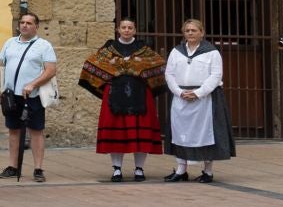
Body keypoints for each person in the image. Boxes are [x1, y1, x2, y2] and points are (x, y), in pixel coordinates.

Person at [80, 19, 167, 182]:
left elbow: (159, 65)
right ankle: (117, 169)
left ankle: (139, 169)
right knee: (115, 130)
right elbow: (90, 65)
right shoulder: (108, 49)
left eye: (130, 28)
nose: (127, 30)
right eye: (124, 27)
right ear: (118, 29)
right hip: (115, 94)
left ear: (135, 31)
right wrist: (111, 72)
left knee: (140, 131)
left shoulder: (143, 49)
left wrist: (141, 71)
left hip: (140, 94)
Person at [163, 19, 235, 182]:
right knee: (181, 133)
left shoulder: (211, 52)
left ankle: (207, 172)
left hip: (204, 99)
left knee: (205, 134)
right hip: (181, 98)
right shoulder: (176, 52)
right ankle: (181, 170)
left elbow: (216, 76)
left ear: (202, 33)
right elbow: (169, 74)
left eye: (194, 30)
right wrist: (180, 92)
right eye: (187, 30)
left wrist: (198, 93)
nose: (190, 33)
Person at [0, 13, 58, 182]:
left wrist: (33, 84)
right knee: (13, 130)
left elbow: (50, 70)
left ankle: (38, 169)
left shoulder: (44, 45)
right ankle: (12, 166)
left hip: (33, 95)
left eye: (29, 23)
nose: (24, 25)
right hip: (11, 95)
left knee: (36, 131)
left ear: (36, 26)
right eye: (22, 22)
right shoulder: (9, 43)